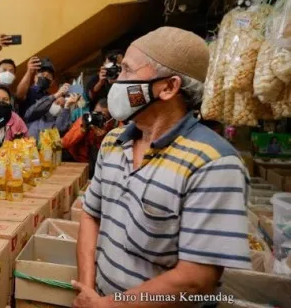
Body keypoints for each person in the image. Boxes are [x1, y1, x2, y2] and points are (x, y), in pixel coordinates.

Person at [74, 27, 251, 307]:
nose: (116, 81)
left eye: (127, 71)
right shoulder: (112, 141)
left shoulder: (213, 163)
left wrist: (111, 305)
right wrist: (87, 288)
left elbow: (196, 279)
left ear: (168, 87)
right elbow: (91, 215)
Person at [61, 98, 114, 175]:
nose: (96, 117)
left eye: (102, 116)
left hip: (99, 167)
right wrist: (83, 129)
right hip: (77, 161)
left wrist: (102, 138)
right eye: (95, 113)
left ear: (111, 119)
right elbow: (65, 142)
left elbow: (111, 155)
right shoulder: (86, 120)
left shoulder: (116, 128)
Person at [0, 35, 40, 103]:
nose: (7, 73)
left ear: (14, 76)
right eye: (4, 70)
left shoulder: (13, 97)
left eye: (11, 71)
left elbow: (20, 95)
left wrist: (29, 71)